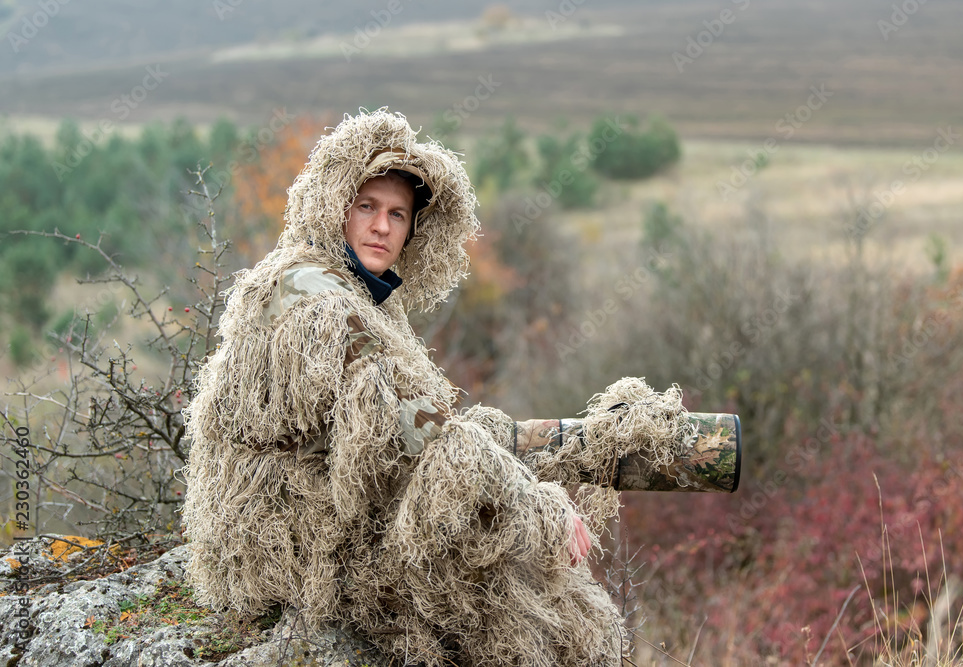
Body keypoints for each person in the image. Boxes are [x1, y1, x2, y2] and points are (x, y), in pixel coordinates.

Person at [183, 109, 690, 666]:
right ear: (333, 207)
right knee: (509, 593)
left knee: (496, 523)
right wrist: (535, 502)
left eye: (398, 214)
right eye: (367, 207)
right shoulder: (314, 293)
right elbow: (401, 430)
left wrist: (544, 447)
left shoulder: (362, 293)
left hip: (318, 524)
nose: (382, 227)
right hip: (292, 548)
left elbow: (419, 424)